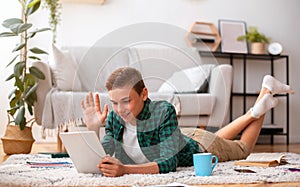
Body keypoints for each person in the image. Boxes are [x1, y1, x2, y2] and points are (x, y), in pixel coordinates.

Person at [81, 67, 294, 177]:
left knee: (242, 149)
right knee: (217, 137)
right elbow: (105, 154)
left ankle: (263, 98)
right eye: (115, 103)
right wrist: (93, 129)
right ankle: (256, 109)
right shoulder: (115, 118)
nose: (120, 109)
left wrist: (126, 170)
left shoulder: (163, 111)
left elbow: (168, 163)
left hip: (200, 146)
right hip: (182, 137)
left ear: (144, 94)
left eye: (126, 101)